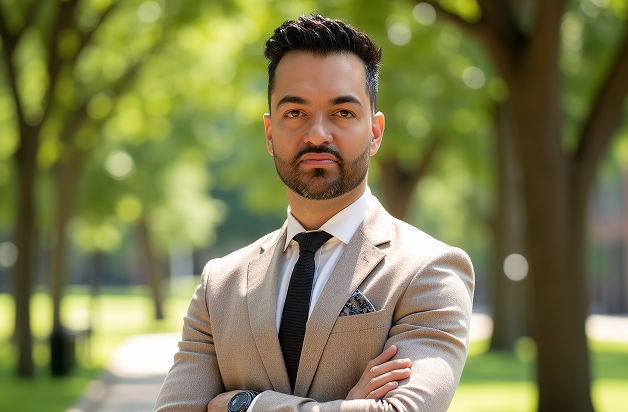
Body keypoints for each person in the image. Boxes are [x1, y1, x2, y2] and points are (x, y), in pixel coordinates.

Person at [154, 14, 474, 412]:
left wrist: (247, 404)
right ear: (270, 135)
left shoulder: (430, 270)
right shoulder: (220, 285)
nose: (318, 133)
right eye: (295, 113)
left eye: (342, 112)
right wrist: (346, 405)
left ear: (374, 133)